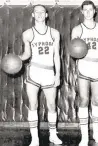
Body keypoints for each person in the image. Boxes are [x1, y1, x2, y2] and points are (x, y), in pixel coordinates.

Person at [19, 4, 62, 146]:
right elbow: (27, 54)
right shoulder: (27, 33)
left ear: (46, 15)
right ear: (32, 15)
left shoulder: (54, 33)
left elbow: (57, 56)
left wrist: (58, 75)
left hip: (49, 72)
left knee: (51, 105)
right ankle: (35, 138)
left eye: (42, 12)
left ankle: (53, 135)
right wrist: (17, 59)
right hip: (34, 73)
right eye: (36, 12)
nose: (39, 14)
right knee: (33, 104)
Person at [71, 0, 98, 145]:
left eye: (90, 9)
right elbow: (73, 51)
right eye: (85, 10)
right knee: (84, 100)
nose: (88, 12)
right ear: (82, 12)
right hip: (84, 66)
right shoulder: (77, 30)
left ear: (95, 11)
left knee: (97, 100)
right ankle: (84, 136)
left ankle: (96, 133)